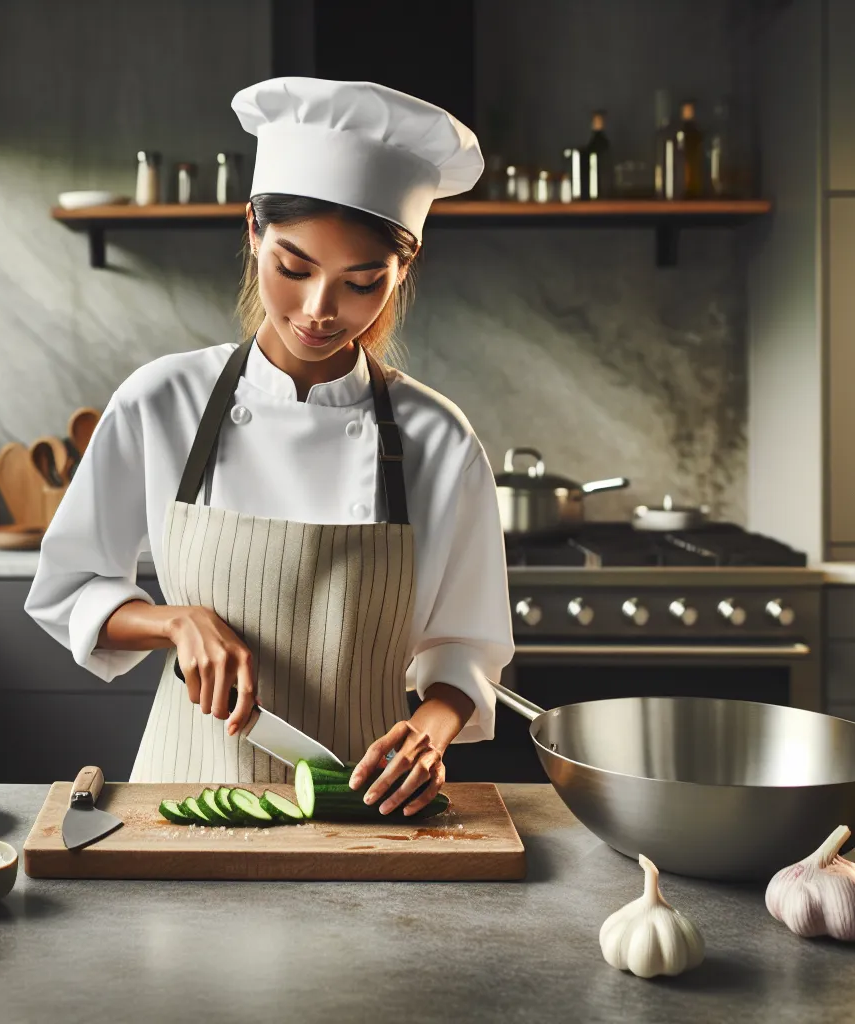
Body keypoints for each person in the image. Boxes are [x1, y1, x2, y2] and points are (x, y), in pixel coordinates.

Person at [26, 78, 514, 816]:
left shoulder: (438, 440)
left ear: (403, 269)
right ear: (253, 232)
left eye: (361, 282)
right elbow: (68, 589)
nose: (319, 311)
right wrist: (174, 620)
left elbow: (467, 648)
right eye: (294, 268)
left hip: (365, 809)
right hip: (182, 797)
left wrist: (430, 730)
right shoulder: (162, 401)